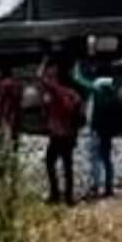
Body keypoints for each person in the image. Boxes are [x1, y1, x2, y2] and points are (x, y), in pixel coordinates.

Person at [72, 61, 120, 199]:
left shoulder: (96, 89)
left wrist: (77, 65)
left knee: (94, 159)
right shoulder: (113, 91)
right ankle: (109, 187)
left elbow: (78, 79)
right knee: (107, 158)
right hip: (108, 131)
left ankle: (95, 186)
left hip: (97, 130)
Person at [39, 59, 82, 206]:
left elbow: (41, 78)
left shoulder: (56, 91)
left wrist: (44, 62)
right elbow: (79, 117)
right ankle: (69, 198)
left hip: (57, 134)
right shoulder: (74, 94)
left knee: (50, 163)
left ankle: (55, 194)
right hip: (69, 134)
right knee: (68, 166)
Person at [0, 66, 24, 158]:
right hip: (16, 110)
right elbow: (20, 97)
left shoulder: (3, 83)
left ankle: (2, 151)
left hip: (6, 110)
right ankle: (14, 150)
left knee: (4, 130)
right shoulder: (18, 83)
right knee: (15, 131)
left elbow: (0, 97)